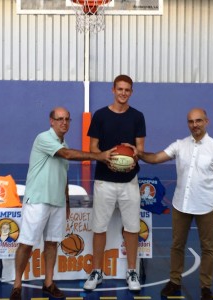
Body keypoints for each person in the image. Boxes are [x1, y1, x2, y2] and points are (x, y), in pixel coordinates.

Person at [10, 107, 114, 300]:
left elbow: (63, 176)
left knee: (51, 243)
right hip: (38, 199)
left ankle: (48, 282)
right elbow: (67, 155)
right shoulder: (43, 139)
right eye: (59, 119)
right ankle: (17, 285)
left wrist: (66, 201)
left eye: (67, 119)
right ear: (51, 121)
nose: (63, 122)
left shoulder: (63, 142)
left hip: (57, 202)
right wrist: (98, 156)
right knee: (26, 244)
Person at [136, 108, 213, 300]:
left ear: (206, 121)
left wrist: (209, 193)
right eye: (191, 121)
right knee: (177, 245)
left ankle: (206, 287)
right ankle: (174, 281)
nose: (194, 125)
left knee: (208, 248)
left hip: (206, 207)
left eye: (198, 121)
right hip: (181, 205)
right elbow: (155, 158)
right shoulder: (180, 145)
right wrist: (137, 153)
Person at [83, 75, 146, 291]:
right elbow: (93, 148)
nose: (123, 93)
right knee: (99, 227)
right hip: (104, 181)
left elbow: (140, 148)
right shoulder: (100, 115)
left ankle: (131, 271)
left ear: (131, 92)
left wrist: (134, 155)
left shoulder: (137, 116)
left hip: (129, 181)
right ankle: (97, 270)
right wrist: (105, 156)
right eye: (120, 89)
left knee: (132, 228)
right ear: (113, 90)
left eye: (127, 90)